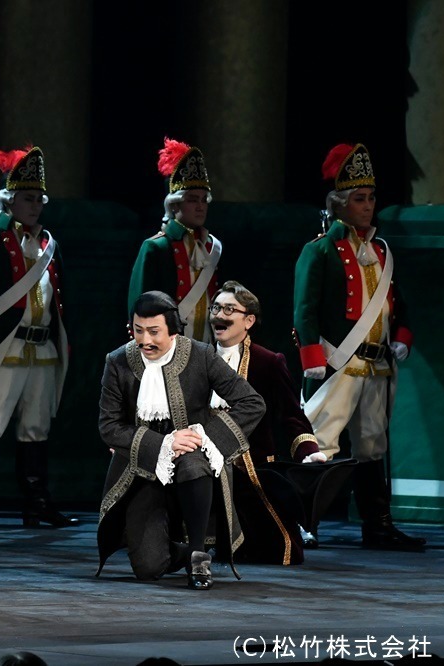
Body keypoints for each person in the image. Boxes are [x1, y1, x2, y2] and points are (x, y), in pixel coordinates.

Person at [294, 142, 425, 551]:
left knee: (372, 448)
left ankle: (378, 526)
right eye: (359, 198)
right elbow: (305, 309)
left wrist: (401, 338)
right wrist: (313, 359)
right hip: (337, 364)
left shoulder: (383, 252)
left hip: (377, 367)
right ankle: (301, 524)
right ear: (339, 203)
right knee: (321, 446)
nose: (368, 206)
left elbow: (397, 305)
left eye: (370, 198)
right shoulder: (320, 251)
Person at [97, 291, 265, 589]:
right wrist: (161, 444)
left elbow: (252, 403)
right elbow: (109, 426)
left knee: (192, 463)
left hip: (193, 460)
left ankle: (198, 555)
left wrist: (203, 436)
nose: (144, 340)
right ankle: (181, 552)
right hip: (143, 468)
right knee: (148, 568)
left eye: (153, 332)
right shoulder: (118, 361)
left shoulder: (201, 354)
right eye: (138, 330)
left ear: (172, 330)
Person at [0, 145, 75, 528]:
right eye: (28, 198)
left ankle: (36, 504)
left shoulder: (46, 245)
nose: (36, 205)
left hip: (42, 349)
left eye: (39, 198)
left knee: (36, 428)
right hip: (3, 347)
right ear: (9, 200)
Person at [210, 280, 332, 563]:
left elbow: (291, 415)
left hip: (248, 468)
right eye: (216, 308)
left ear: (248, 320)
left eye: (230, 309)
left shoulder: (267, 362)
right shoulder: (195, 357)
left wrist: (308, 451)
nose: (219, 315)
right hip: (201, 466)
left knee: (278, 550)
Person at [128, 138, 221, 343]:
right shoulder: (156, 247)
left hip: (207, 349)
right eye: (192, 199)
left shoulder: (212, 247)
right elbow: (141, 309)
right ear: (174, 205)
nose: (200, 206)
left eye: (203, 199)